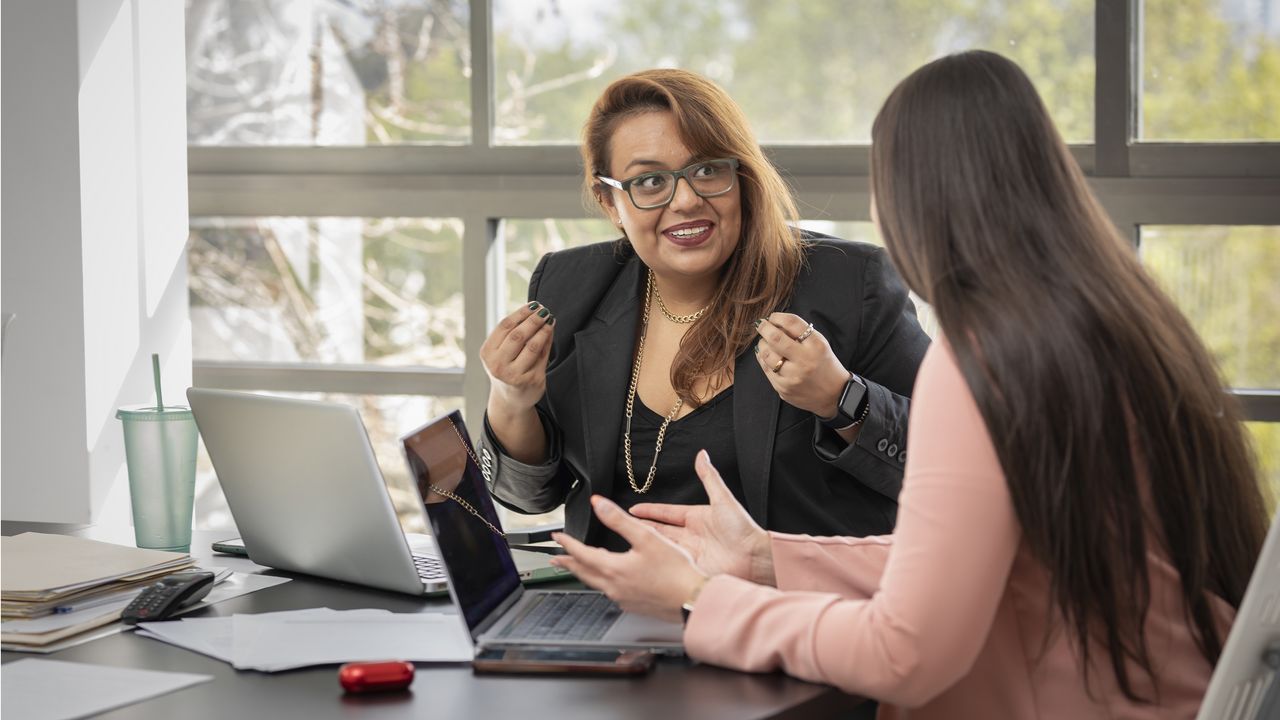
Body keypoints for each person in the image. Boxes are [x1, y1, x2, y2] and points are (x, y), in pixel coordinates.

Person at [548, 51, 1271, 718]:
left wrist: (699, 599)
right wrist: (768, 558)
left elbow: (905, 652)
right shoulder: (1108, 319)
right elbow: (986, 553)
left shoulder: (984, 361)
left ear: (913, 198)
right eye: (649, 181)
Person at [477, 69, 931, 550]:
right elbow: (529, 497)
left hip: (784, 607)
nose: (688, 200)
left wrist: (841, 400)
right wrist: (511, 400)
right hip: (614, 605)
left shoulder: (849, 282)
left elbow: (953, 468)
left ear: (740, 175)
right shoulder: (570, 286)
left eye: (708, 170)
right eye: (650, 181)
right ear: (610, 202)